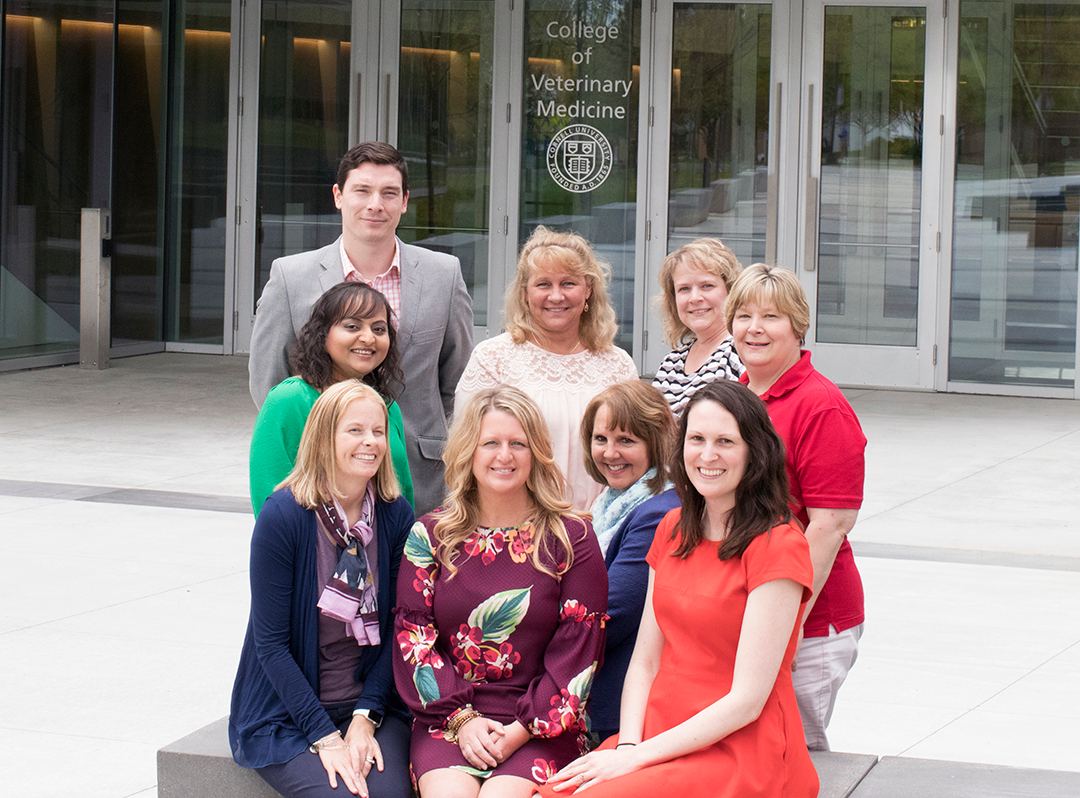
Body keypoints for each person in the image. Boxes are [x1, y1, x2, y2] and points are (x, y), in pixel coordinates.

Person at [541, 380, 817, 798]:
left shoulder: (778, 545)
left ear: (754, 452)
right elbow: (646, 661)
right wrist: (629, 746)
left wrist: (635, 759)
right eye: (697, 440)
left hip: (736, 745)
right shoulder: (672, 527)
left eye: (725, 441)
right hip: (656, 732)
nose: (708, 455)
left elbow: (747, 699)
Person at [394, 385, 609, 798]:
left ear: (537, 453)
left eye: (518, 444)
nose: (504, 456)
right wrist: (463, 720)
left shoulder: (572, 537)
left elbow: (580, 649)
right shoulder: (430, 535)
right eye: (490, 443)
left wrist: (519, 731)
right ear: (468, 451)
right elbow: (413, 639)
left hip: (545, 725)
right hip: (450, 720)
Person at [248, 141, 473, 516]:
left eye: (389, 193)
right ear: (338, 196)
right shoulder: (291, 277)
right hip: (320, 479)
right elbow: (269, 381)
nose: (375, 204)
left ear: (404, 201)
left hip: (420, 479)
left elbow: (458, 383)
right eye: (362, 191)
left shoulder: (444, 275)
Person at [230, 381, 415, 798]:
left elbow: (399, 626)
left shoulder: (394, 514)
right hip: (287, 713)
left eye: (378, 431)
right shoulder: (283, 518)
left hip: (371, 705)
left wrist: (365, 718)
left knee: (389, 794)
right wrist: (325, 737)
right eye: (354, 430)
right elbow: (271, 644)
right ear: (323, 437)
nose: (370, 442)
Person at [725, 262, 867, 751]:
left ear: (798, 326)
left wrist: (788, 619)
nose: (754, 328)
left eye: (771, 316)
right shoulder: (740, 395)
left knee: (793, 751)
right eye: (743, 315)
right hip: (748, 603)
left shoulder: (820, 405)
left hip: (808, 617)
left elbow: (829, 526)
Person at [455, 226, 638, 512]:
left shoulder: (617, 364)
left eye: (568, 283)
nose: (556, 296)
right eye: (543, 284)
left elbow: (635, 455)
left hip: (599, 529)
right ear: (525, 293)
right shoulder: (492, 359)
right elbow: (464, 456)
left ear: (588, 289)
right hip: (516, 527)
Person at [249, 282, 413, 515]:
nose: (368, 338)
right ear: (322, 333)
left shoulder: (387, 407)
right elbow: (269, 496)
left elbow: (400, 494)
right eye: (352, 326)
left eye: (378, 329)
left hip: (380, 548)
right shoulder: (290, 400)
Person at [578, 380, 679, 742]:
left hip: (619, 706)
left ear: (656, 443)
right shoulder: (610, 502)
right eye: (601, 439)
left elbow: (612, 615)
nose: (610, 452)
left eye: (626, 441)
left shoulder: (659, 513)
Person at [652, 238, 745, 417]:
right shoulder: (672, 361)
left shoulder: (739, 353)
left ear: (730, 291)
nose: (694, 298)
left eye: (707, 286)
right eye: (684, 289)